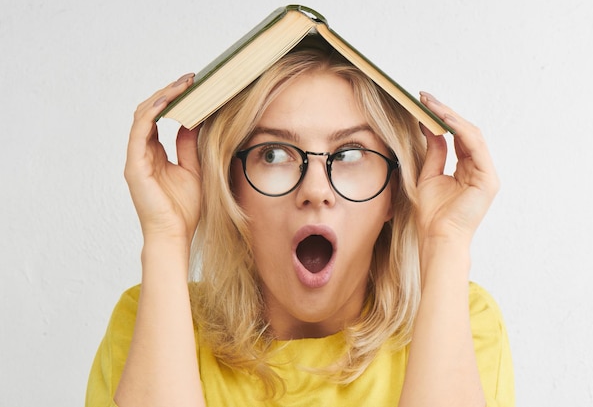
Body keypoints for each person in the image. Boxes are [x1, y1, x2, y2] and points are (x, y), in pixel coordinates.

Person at [86, 36, 514, 406]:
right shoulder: (151, 317)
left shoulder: (460, 317)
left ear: (393, 193)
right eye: (273, 154)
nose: (315, 190)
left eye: (349, 154)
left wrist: (446, 241)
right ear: (232, 187)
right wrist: (166, 236)